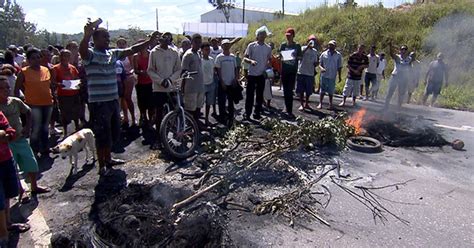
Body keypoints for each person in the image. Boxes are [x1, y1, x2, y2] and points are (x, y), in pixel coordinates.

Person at [79, 20, 159, 175]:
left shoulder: (112, 54)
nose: (108, 40)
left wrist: (149, 41)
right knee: (102, 134)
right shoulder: (90, 55)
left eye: (108, 37)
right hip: (99, 103)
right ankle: (102, 166)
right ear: (95, 39)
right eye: (104, 37)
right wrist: (86, 35)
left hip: (113, 100)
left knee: (112, 132)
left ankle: (109, 159)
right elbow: (82, 50)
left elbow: (132, 49)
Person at [0, 76, 50, 203]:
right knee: (14, 169)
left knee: (31, 162)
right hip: (6, 144)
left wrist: (28, 127)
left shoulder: (15, 101)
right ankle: (22, 191)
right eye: (2, 88)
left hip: (20, 138)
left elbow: (28, 112)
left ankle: (34, 187)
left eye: (8, 87)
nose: (6, 90)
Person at [14, 48, 55, 157]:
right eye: (33, 58)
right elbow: (17, 89)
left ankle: (45, 148)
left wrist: (54, 98)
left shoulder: (46, 69)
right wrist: (19, 105)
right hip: (33, 104)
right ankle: (34, 150)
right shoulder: (24, 72)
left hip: (47, 103)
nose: (36, 60)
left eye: (38, 57)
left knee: (45, 127)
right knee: (36, 128)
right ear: (28, 60)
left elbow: (50, 85)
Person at [0, 109, 30, 247]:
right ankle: (3, 235)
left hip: (5, 159)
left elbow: (9, 130)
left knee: (7, 193)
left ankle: (7, 223)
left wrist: (5, 134)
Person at [147, 32, 182, 150]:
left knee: (174, 112)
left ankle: (172, 137)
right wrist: (161, 81)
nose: (166, 41)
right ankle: (158, 138)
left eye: (168, 39)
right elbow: (150, 70)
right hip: (158, 88)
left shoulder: (174, 52)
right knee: (159, 114)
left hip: (172, 87)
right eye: (163, 39)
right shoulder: (154, 52)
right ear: (159, 40)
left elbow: (178, 69)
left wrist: (170, 80)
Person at [243, 28, 272, 120]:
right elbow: (245, 58)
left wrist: (268, 70)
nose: (263, 36)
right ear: (257, 36)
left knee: (259, 96)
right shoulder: (251, 46)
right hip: (252, 74)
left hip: (261, 75)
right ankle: (247, 114)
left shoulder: (268, 48)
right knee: (250, 96)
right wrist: (251, 61)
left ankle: (257, 113)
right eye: (261, 35)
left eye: (264, 35)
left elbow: (269, 61)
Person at [53, 49, 82, 139]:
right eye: (64, 56)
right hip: (63, 94)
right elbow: (53, 81)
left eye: (68, 56)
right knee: (64, 114)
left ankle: (77, 129)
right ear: (60, 57)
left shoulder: (72, 68)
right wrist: (59, 84)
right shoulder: (55, 68)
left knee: (76, 113)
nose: (66, 58)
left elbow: (77, 78)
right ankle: (65, 132)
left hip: (74, 93)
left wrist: (78, 83)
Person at [181, 33, 205, 126]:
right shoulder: (188, 55)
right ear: (192, 42)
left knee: (198, 108)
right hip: (191, 88)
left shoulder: (198, 54)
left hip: (199, 87)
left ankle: (196, 127)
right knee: (190, 110)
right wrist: (182, 88)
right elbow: (183, 72)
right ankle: (189, 128)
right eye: (196, 42)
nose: (198, 44)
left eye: (200, 42)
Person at [215, 39, 239, 126]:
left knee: (231, 102)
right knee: (221, 101)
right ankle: (222, 118)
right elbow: (218, 70)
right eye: (224, 45)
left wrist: (235, 79)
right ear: (222, 46)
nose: (226, 46)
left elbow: (236, 69)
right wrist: (222, 82)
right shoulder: (219, 57)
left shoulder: (232, 57)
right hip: (223, 83)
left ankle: (231, 118)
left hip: (231, 83)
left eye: (228, 45)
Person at [279, 28, 302, 119]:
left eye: (290, 35)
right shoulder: (283, 45)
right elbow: (281, 57)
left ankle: (290, 110)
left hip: (292, 71)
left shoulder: (297, 46)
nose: (288, 37)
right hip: (284, 70)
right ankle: (286, 107)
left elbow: (300, 57)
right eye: (287, 35)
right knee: (285, 91)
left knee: (290, 90)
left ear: (293, 36)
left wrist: (294, 55)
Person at [133, 39, 155, 127]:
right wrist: (142, 72)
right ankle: (143, 117)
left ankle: (151, 119)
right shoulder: (136, 56)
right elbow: (135, 70)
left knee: (151, 103)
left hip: (151, 82)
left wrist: (150, 72)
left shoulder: (151, 54)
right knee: (142, 102)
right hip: (141, 83)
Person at [384, 44, 413, 109]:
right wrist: (390, 47)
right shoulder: (398, 57)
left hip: (403, 77)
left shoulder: (409, 59)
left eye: (405, 49)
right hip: (395, 76)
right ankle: (385, 107)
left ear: (407, 51)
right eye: (402, 49)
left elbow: (410, 67)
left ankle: (398, 108)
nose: (404, 51)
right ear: (400, 50)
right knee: (390, 92)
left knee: (401, 94)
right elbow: (391, 54)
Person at [116, 38, 137, 127]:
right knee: (121, 99)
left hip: (128, 77)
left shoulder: (129, 55)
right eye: (119, 43)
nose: (121, 45)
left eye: (123, 43)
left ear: (126, 45)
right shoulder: (115, 55)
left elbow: (133, 67)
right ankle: (125, 117)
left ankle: (133, 118)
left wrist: (129, 72)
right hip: (118, 79)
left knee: (127, 97)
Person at [296, 34, 319, 111]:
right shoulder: (303, 48)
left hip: (310, 73)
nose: (312, 42)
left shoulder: (315, 51)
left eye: (314, 41)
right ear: (308, 41)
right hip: (302, 72)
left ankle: (306, 104)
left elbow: (315, 62)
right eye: (311, 40)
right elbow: (299, 55)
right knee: (301, 90)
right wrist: (307, 47)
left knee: (308, 91)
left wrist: (316, 64)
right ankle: (301, 104)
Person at [318, 40, 342, 109]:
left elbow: (339, 66)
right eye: (330, 45)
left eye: (332, 45)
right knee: (322, 90)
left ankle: (330, 104)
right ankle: (320, 103)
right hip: (324, 75)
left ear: (335, 46)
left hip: (332, 75)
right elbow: (319, 64)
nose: (331, 46)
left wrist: (339, 76)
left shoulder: (338, 55)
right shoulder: (324, 54)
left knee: (331, 91)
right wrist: (321, 68)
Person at [201, 42, 216, 126]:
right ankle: (197, 121)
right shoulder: (200, 60)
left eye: (208, 49)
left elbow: (213, 70)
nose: (207, 51)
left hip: (211, 83)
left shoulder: (211, 59)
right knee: (199, 103)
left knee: (208, 103)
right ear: (202, 50)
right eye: (206, 49)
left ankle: (207, 119)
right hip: (202, 84)